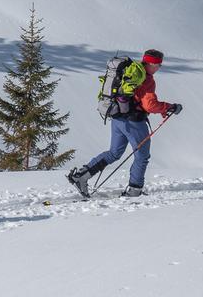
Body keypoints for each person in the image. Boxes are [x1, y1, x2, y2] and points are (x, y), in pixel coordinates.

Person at [68, 49, 182, 197]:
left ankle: (81, 176)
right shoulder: (146, 79)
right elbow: (149, 105)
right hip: (134, 122)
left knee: (114, 153)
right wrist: (170, 107)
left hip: (117, 117)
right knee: (142, 156)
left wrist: (161, 110)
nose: (158, 68)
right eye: (158, 65)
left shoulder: (131, 72)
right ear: (151, 64)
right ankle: (135, 190)